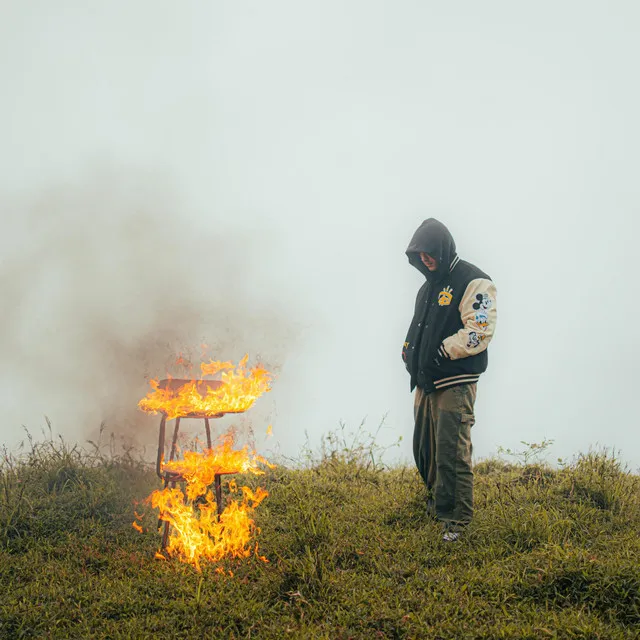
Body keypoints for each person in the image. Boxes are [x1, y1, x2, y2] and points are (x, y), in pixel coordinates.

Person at [402, 218, 497, 542]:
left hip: (455, 382)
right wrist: (408, 350)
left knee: (451, 451)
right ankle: (436, 502)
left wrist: (443, 351)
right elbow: (419, 326)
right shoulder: (427, 286)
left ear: (443, 249)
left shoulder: (474, 281)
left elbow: (479, 331)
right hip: (426, 381)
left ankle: (456, 521)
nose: (426, 260)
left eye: (430, 254)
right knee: (425, 449)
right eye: (420, 256)